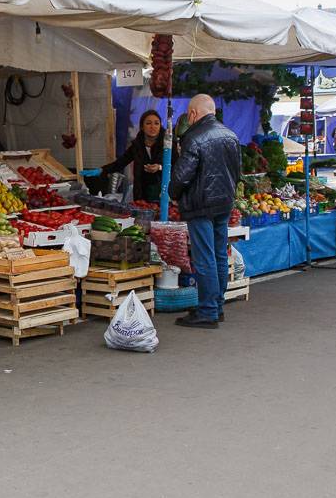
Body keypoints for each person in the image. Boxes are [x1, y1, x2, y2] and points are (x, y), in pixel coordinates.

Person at [168, 94, 241, 329]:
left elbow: (182, 175)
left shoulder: (194, 137)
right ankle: (216, 305)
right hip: (224, 203)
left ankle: (208, 310)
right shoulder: (230, 135)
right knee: (220, 254)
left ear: (192, 114)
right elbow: (237, 172)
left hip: (200, 205)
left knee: (204, 257)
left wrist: (173, 193)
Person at [102, 109, 165, 202]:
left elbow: (176, 164)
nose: (153, 127)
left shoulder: (168, 143)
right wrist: (102, 170)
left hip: (163, 191)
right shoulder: (137, 145)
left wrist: (159, 167)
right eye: (148, 123)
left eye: (156, 123)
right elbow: (121, 162)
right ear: (142, 127)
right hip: (142, 193)